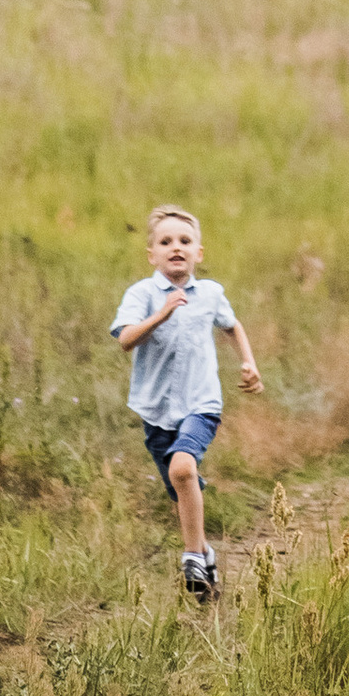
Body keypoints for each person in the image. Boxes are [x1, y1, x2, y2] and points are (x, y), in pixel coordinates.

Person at [109, 201, 261, 600]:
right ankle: (206, 557)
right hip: (156, 410)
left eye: (185, 241)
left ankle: (191, 555)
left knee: (181, 470)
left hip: (201, 404)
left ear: (199, 253)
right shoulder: (141, 294)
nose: (176, 247)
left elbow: (231, 325)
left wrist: (248, 363)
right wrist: (160, 315)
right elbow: (125, 340)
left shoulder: (210, 293)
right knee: (180, 487)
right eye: (166, 241)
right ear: (152, 254)